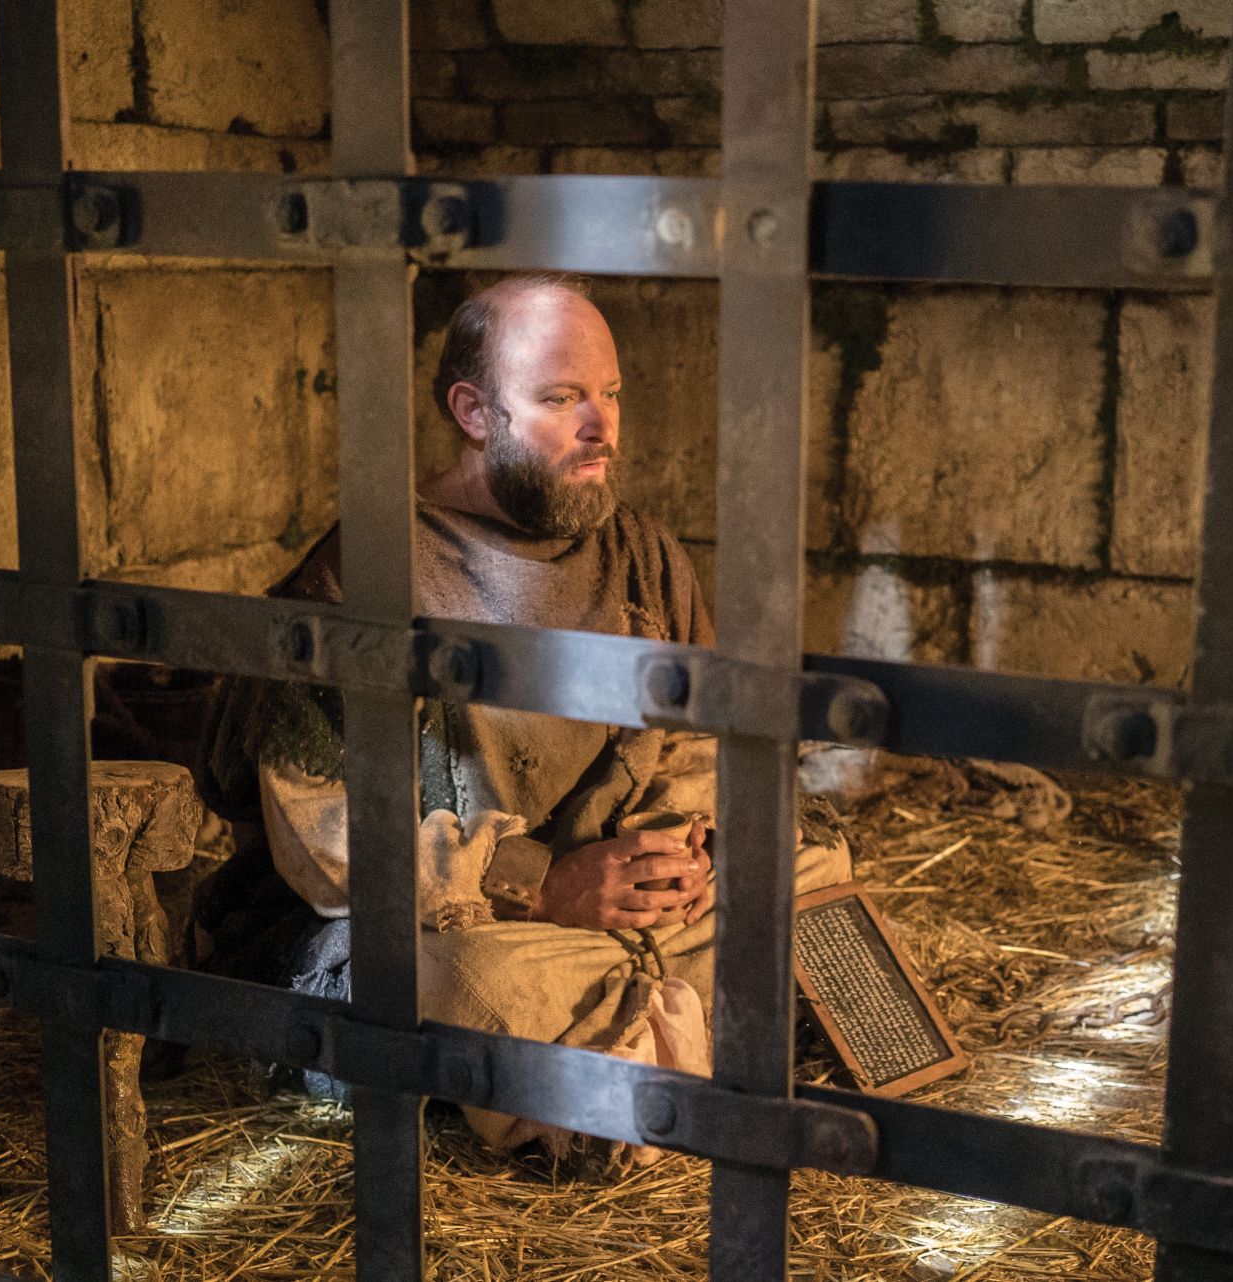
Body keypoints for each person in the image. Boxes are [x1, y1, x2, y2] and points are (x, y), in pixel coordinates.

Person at [198, 274, 850, 1168]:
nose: (604, 428)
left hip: (615, 899)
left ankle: (628, 1035)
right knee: (478, 981)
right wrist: (541, 882)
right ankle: (666, 1041)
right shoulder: (368, 576)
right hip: (475, 918)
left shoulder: (644, 558)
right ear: (474, 410)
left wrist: (678, 852)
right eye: (561, 399)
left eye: (611, 394)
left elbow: (697, 739)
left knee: (812, 867)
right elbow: (325, 833)